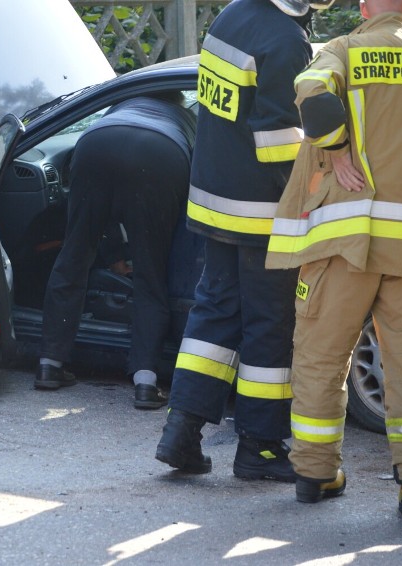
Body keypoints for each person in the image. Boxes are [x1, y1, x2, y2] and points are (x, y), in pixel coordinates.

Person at [265, 0, 402, 522]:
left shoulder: (343, 49)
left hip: (344, 242)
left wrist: (336, 148)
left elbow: (312, 95)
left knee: (320, 354)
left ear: (363, 8)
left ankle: (315, 473)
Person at [154, 0, 322, 481]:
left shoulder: (232, 14)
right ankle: (261, 447)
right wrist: (313, 194)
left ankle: (180, 431)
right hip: (262, 214)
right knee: (269, 325)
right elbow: (278, 141)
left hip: (214, 200)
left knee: (214, 314)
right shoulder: (286, 41)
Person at [34, 94, 196, 410]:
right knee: (151, 273)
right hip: (162, 155)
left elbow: (103, 211)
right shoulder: (189, 120)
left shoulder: (124, 103)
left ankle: (49, 364)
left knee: (74, 256)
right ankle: (146, 383)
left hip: (96, 142)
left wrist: (112, 253)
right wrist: (133, 250)